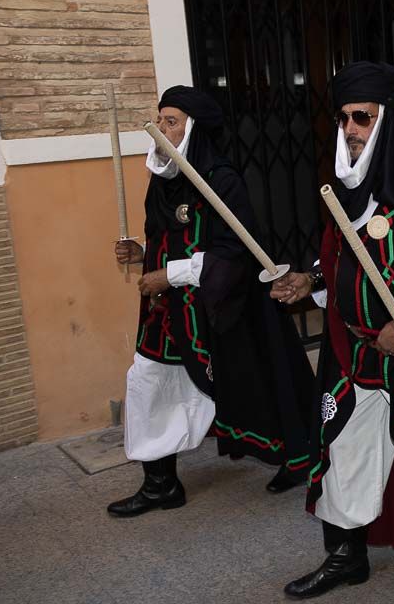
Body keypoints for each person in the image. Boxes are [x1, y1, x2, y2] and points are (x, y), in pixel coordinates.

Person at [273, 62, 394, 599]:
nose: (350, 129)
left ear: (387, 120)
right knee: (342, 447)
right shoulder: (343, 190)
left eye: (362, 117)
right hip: (353, 356)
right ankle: (345, 556)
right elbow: (339, 261)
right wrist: (310, 281)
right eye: (342, 119)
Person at [109, 86, 317, 517]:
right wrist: (142, 254)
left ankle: (298, 459)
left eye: (172, 122)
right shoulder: (162, 183)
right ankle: (160, 483)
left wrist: (168, 273)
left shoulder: (222, 180)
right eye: (159, 120)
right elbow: (165, 240)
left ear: (194, 129)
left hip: (221, 310)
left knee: (256, 385)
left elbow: (233, 253)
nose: (161, 130)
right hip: (168, 313)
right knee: (148, 381)